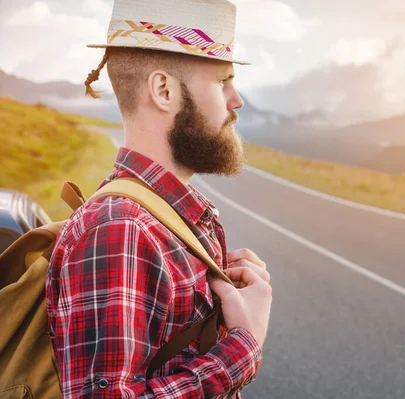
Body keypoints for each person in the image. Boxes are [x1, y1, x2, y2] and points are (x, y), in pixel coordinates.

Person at [45, 0, 273, 397]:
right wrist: (243, 347)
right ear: (164, 90)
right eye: (222, 82)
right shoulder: (121, 230)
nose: (236, 101)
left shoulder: (165, 216)